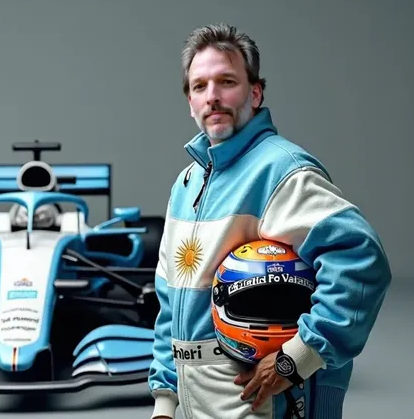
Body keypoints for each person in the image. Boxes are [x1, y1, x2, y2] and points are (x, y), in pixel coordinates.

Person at [148, 23, 392, 419]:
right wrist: (164, 400)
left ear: (255, 92)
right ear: (189, 102)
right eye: (199, 86)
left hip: (259, 400)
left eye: (226, 81)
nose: (212, 97)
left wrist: (296, 359)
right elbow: (169, 296)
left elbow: (361, 261)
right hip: (199, 400)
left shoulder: (281, 170)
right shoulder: (186, 183)